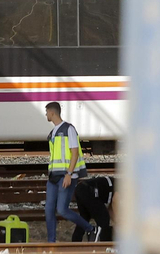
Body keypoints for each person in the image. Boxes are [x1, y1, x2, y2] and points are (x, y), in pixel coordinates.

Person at [44, 102, 96, 243]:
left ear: (52, 112)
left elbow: (75, 152)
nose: (46, 115)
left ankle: (90, 229)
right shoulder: (53, 132)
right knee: (49, 210)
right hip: (53, 177)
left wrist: (69, 173)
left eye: (47, 112)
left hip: (66, 176)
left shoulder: (69, 129)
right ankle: (51, 242)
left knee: (62, 210)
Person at [72, 173, 114, 242]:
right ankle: (105, 244)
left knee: (84, 218)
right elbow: (115, 203)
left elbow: (111, 209)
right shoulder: (120, 187)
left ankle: (75, 243)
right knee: (104, 218)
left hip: (80, 188)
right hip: (89, 191)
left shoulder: (112, 184)